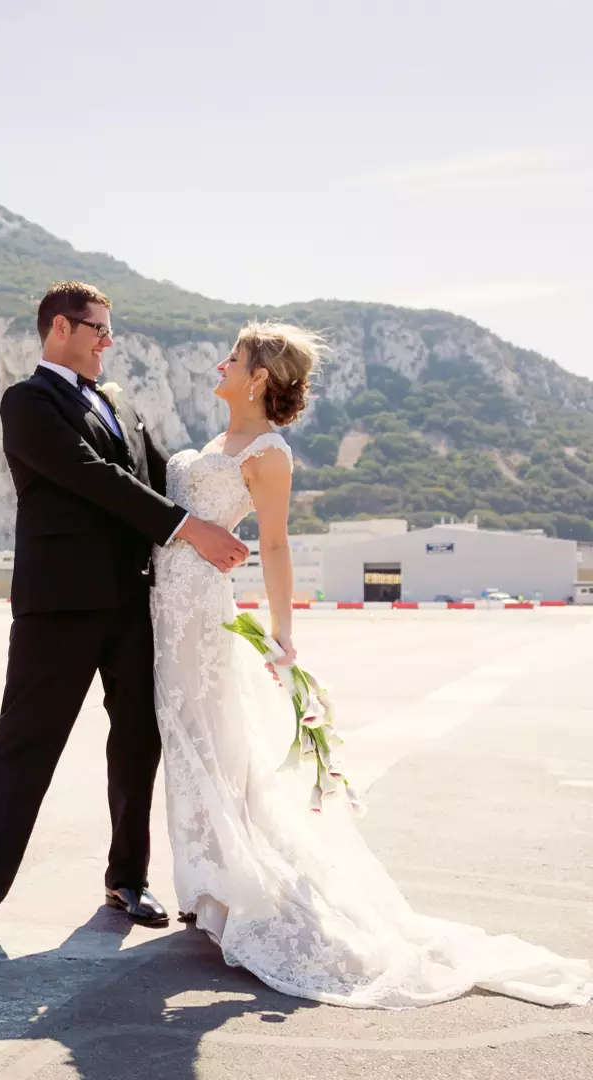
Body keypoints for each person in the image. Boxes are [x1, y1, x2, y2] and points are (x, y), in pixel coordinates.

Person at [151, 320, 593, 1007]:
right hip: (168, 608)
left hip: (204, 611)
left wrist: (282, 632)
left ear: (258, 376)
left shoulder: (269, 451)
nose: (219, 364)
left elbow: (273, 545)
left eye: (231, 358)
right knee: (192, 741)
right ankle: (211, 886)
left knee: (214, 742)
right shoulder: (218, 441)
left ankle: (237, 890)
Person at [0, 281, 249, 949]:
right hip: (58, 607)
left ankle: (127, 879)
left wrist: (234, 471)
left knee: (139, 740)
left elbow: (150, 477)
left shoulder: (117, 402)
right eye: (98, 328)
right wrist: (187, 527)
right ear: (60, 328)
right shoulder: (26, 401)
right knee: (27, 746)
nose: (108, 341)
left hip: (132, 598)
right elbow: (88, 475)